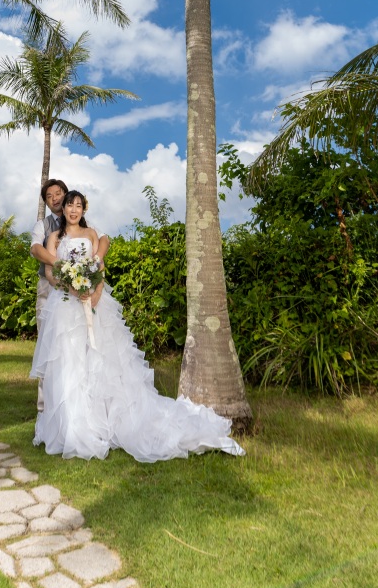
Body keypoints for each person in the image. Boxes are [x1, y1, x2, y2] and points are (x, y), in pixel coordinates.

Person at [31, 190, 245, 462]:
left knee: (100, 362)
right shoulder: (54, 237)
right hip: (66, 306)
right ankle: (72, 426)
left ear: (84, 209)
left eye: (78, 206)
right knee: (70, 364)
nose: (73, 210)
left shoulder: (92, 235)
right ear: (64, 210)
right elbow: (51, 272)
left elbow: (100, 267)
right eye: (70, 206)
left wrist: (94, 294)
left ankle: (104, 420)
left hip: (93, 304)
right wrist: (72, 289)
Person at [29, 178, 109, 412]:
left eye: (58, 193)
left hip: (87, 291)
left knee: (87, 345)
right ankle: (48, 407)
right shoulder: (44, 227)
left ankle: (90, 402)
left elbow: (102, 240)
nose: (55, 198)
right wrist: (64, 269)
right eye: (49, 196)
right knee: (51, 346)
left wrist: (96, 265)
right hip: (53, 290)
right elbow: (36, 249)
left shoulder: (85, 223)